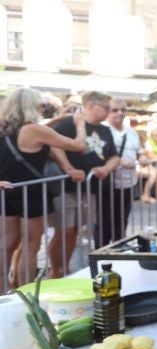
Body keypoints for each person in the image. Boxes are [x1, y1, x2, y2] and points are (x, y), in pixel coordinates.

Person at [0, 87, 86, 287]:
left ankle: (2, 294)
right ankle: (27, 292)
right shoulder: (35, 130)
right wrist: (80, 124)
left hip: (7, 191)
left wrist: (56, 120)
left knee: (7, 245)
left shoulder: (4, 128)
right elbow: (79, 145)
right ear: (32, 106)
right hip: (32, 193)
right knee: (31, 245)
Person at [48, 90, 119, 277]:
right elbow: (54, 147)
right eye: (105, 108)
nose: (108, 112)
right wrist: (69, 168)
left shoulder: (104, 129)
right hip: (67, 188)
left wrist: (106, 168)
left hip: (90, 189)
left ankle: (65, 267)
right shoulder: (68, 124)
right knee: (64, 230)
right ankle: (56, 269)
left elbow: (114, 156)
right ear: (90, 106)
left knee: (75, 230)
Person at [100, 98, 144, 244]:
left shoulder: (131, 132)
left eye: (123, 110)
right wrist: (120, 162)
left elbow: (140, 152)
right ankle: (102, 252)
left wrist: (142, 159)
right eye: (115, 110)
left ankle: (119, 247)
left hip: (127, 183)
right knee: (104, 220)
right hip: (106, 184)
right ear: (108, 111)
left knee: (122, 218)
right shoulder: (102, 130)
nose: (120, 113)